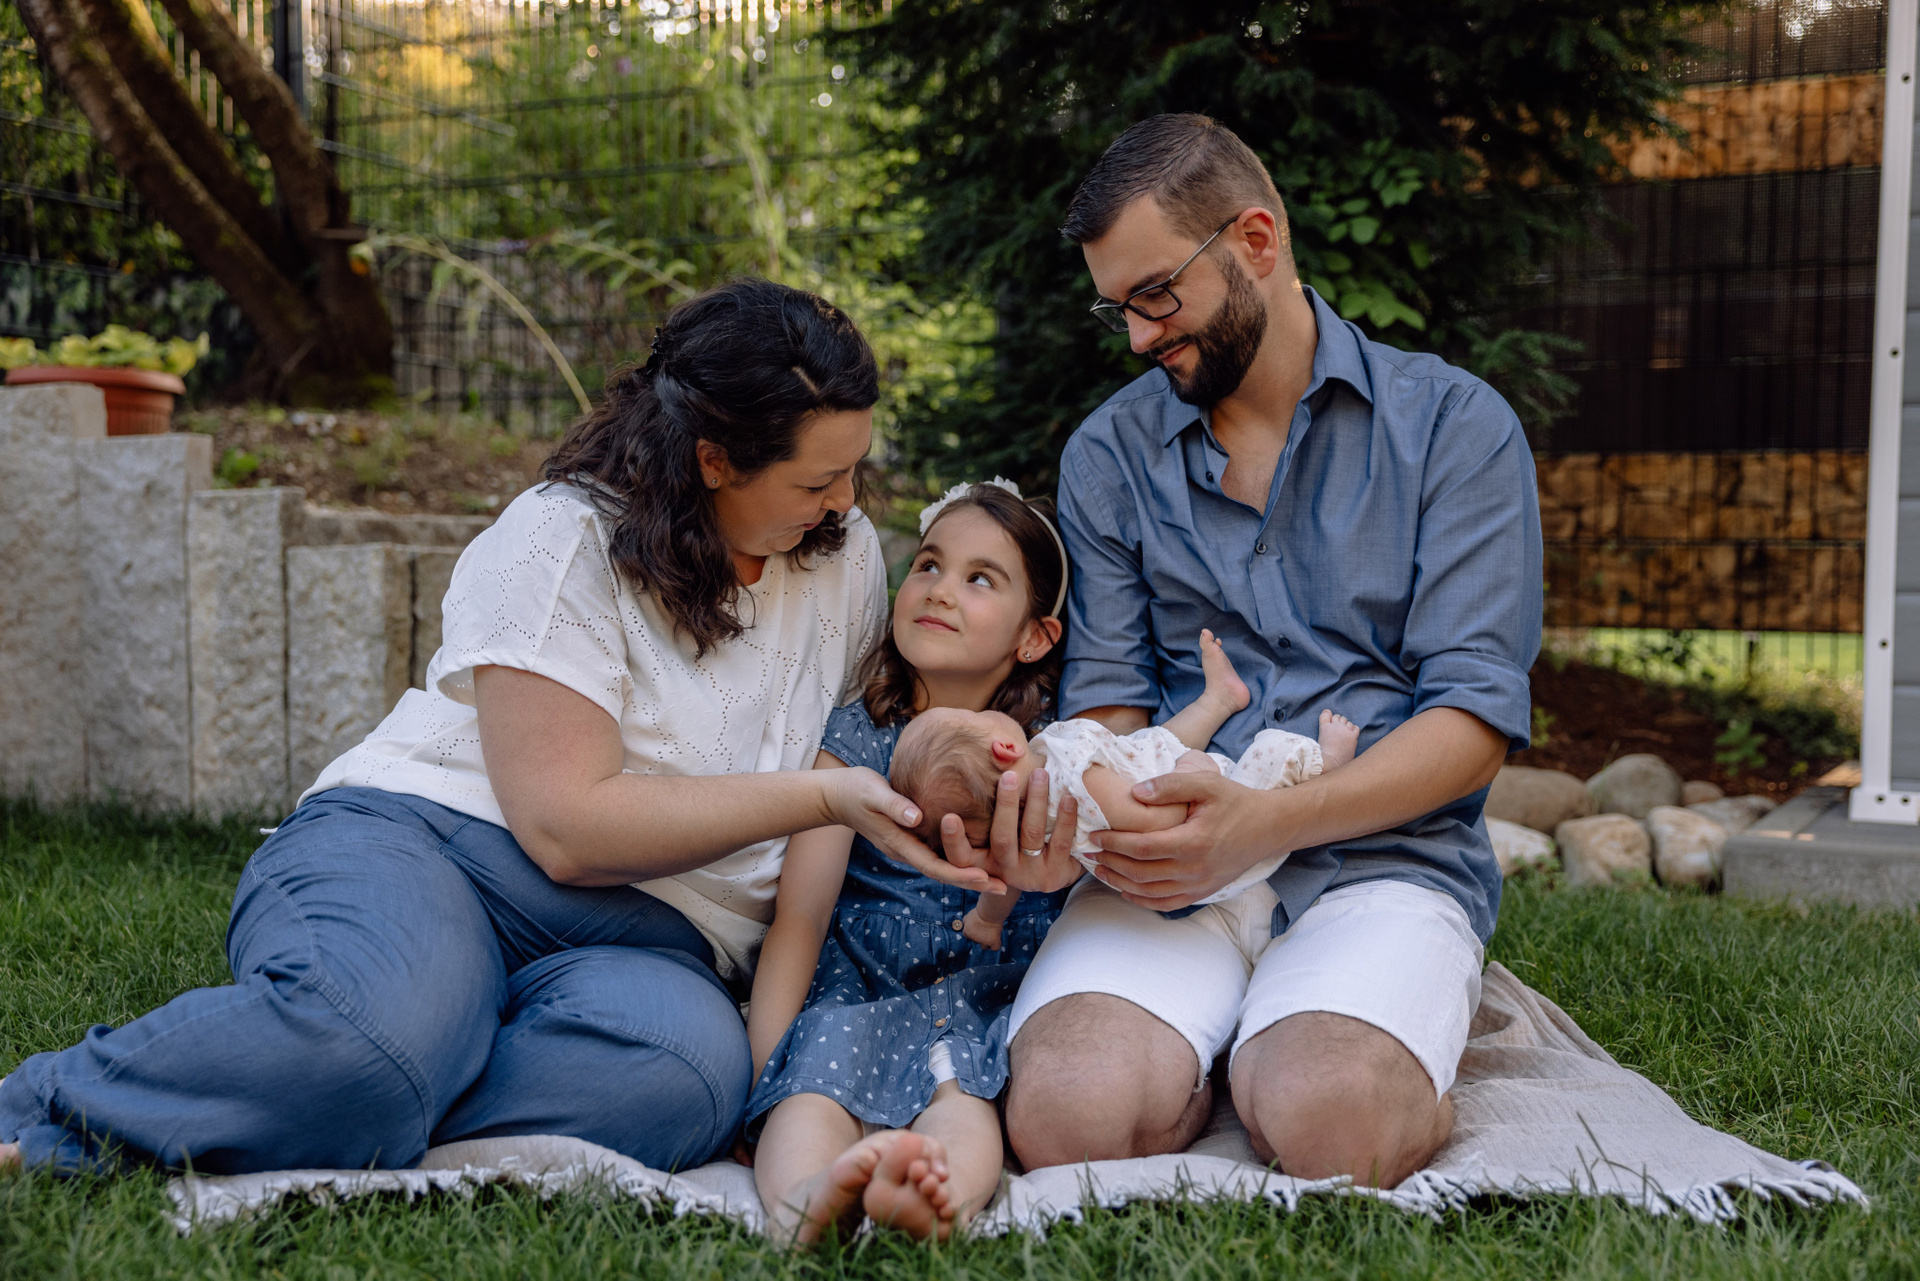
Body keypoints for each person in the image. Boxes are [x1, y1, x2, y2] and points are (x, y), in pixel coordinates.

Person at [0, 279, 992, 1177]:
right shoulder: (564, 537)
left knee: (686, 1080)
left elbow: (886, 726)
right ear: (714, 459)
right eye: (816, 482)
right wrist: (820, 796)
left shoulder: (843, 559)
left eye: (853, 471)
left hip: (658, 943)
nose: (845, 502)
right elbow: (565, 830)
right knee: (369, 1044)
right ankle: (52, 1106)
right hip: (443, 850)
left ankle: (379, 1085)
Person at [935, 114, 1543, 1189]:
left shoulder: (1455, 426)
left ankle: (1308, 1036)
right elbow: (1112, 711)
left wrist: (1267, 823)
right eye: (1117, 309)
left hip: (1382, 857)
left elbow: (1471, 724)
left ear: (1256, 241)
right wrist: (1084, 824)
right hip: (1167, 864)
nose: (1137, 338)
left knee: (1334, 1122)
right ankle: (1224, 1036)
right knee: (1067, 1116)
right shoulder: (1109, 454)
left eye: (1156, 296)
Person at [745, 480, 1076, 1243]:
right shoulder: (859, 735)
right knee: (808, 1094)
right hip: (858, 982)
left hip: (976, 992)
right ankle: (806, 1197)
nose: (940, 589)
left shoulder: (1044, 749)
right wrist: (764, 1076)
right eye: (928, 564)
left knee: (964, 1105)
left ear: (1035, 637)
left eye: (980, 578)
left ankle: (934, 1194)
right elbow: (801, 914)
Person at [891, 630, 1361, 945]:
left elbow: (1004, 880)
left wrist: (985, 920)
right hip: (1216, 839)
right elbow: (1155, 825)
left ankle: (1219, 699)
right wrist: (1196, 775)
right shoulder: (1073, 779)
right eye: (973, 716)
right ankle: (1327, 766)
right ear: (1003, 748)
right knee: (1272, 750)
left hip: (1149, 777)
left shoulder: (1021, 818)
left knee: (1154, 743)